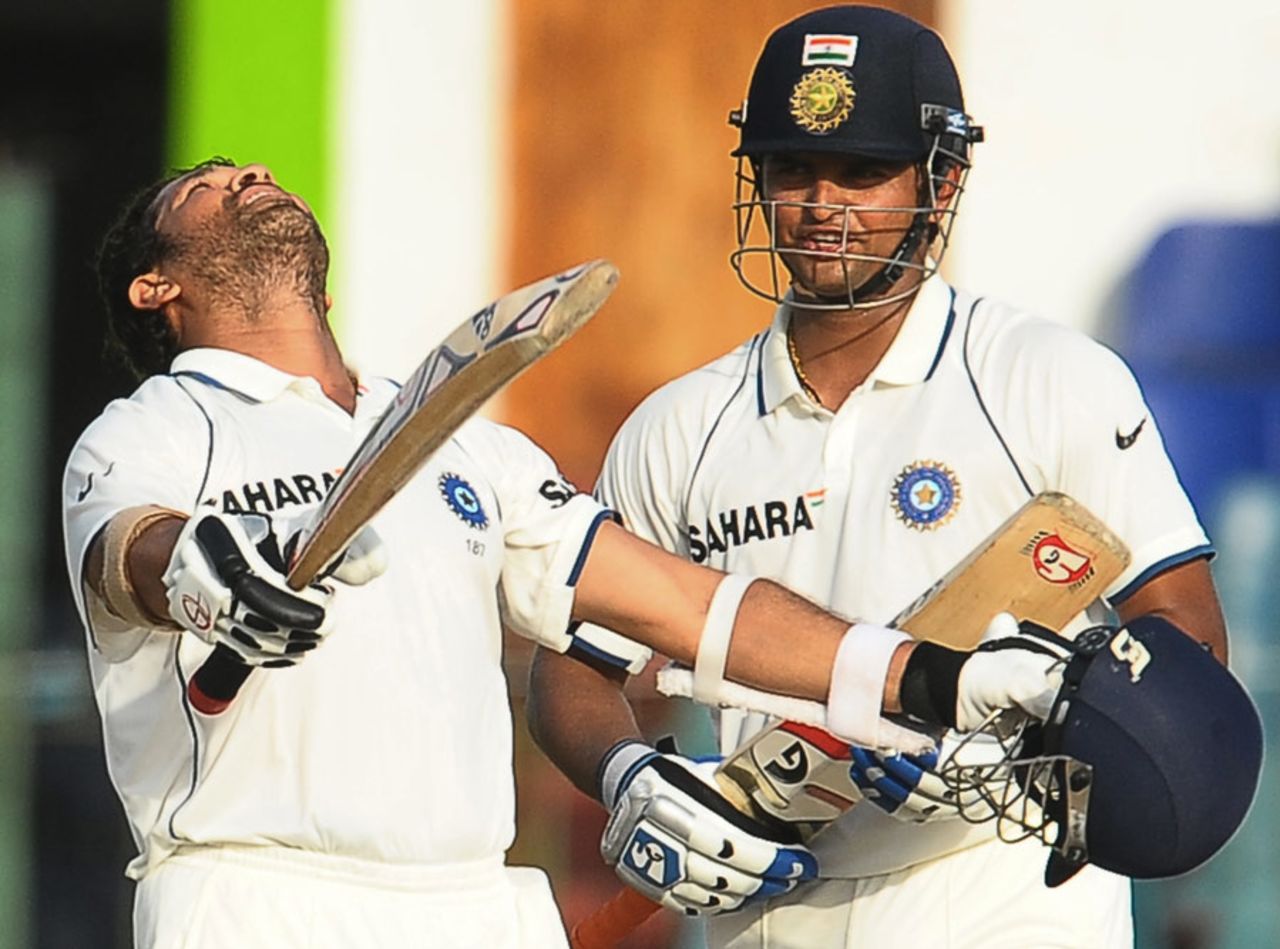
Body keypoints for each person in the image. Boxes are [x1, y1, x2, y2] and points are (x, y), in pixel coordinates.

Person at [61, 157, 1060, 948]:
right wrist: (198, 568)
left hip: (474, 901)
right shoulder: (150, 431)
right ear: (158, 286)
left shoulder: (463, 443)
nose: (250, 175)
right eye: (207, 185)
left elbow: (682, 606)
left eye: (254, 171)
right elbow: (127, 551)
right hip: (257, 898)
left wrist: (932, 677)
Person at [526, 6, 1230, 947]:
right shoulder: (680, 427)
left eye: (862, 172)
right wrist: (628, 772)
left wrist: (1021, 757)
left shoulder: (1044, 375)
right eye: (792, 169)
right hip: (768, 901)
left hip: (998, 890)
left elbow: (1187, 634)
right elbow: (572, 670)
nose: (823, 204)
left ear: (941, 183)